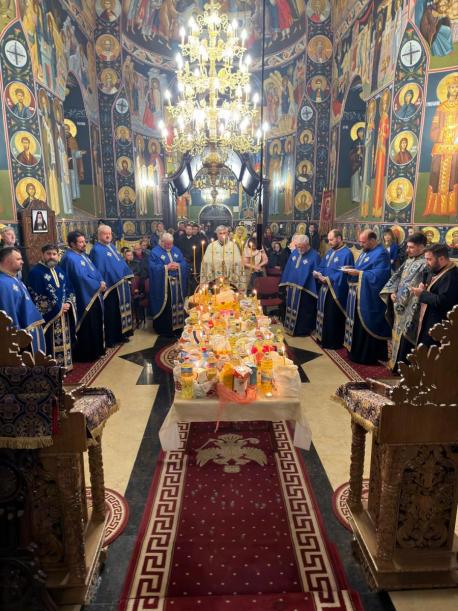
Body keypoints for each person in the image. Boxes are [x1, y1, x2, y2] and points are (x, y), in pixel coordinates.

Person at [380, 232, 427, 372]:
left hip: (412, 307)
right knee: (396, 336)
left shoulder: (426, 263)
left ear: (421, 247)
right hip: (399, 305)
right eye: (407, 247)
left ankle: (404, 369)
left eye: (411, 247)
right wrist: (392, 292)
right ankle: (394, 364)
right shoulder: (409, 261)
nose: (407, 250)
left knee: (407, 339)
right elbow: (396, 277)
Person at [343, 230, 391, 364]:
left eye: (363, 242)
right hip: (359, 294)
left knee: (366, 322)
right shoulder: (365, 251)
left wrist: (359, 273)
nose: (361, 244)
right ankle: (356, 351)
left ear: (372, 240)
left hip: (370, 297)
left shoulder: (381, 253)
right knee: (356, 324)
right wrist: (351, 269)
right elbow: (362, 268)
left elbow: (380, 275)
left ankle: (366, 356)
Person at [28, 244, 76, 369]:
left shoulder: (60, 270)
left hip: (63, 314)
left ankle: (65, 365)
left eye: (54, 254)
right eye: (48, 254)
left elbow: (69, 288)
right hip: (49, 316)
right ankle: (53, 369)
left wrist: (68, 303)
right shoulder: (35, 272)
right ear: (42, 255)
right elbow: (37, 296)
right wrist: (58, 307)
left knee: (64, 338)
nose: (52, 257)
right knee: (49, 341)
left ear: (58, 255)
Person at [60, 231, 106, 362]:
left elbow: (95, 271)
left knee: (95, 323)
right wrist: (97, 285)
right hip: (83, 296)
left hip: (93, 294)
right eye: (80, 242)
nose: (84, 244)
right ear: (72, 244)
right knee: (87, 326)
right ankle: (87, 354)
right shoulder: (69, 258)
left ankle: (97, 350)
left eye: (84, 241)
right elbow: (80, 278)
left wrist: (101, 281)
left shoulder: (83, 255)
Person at [90, 225, 133, 347]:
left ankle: (122, 334)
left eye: (109, 233)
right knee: (111, 313)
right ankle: (111, 339)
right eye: (105, 233)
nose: (108, 236)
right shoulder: (96, 250)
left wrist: (126, 274)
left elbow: (121, 263)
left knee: (120, 311)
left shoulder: (112, 246)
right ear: (99, 235)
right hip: (110, 286)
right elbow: (99, 269)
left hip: (120, 285)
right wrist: (106, 281)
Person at [411, 243, 458, 348]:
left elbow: (443, 301)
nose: (426, 263)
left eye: (429, 259)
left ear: (441, 259)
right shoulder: (439, 269)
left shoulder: (451, 276)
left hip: (439, 325)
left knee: (430, 353)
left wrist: (422, 294)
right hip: (430, 320)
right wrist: (424, 288)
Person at [314, 230, 354, 349]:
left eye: (331, 240)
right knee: (324, 313)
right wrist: (318, 273)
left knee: (332, 315)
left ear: (339, 238)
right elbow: (322, 265)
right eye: (329, 240)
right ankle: (322, 338)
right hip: (325, 289)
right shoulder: (330, 251)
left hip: (336, 290)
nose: (329, 242)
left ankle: (333, 342)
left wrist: (328, 279)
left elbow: (343, 273)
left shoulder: (347, 254)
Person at [0, 246, 45, 352]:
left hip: (28, 330)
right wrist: (16, 336)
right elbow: (7, 312)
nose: (22, 262)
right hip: (20, 336)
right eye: (18, 259)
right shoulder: (3, 283)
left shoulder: (13, 278)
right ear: (7, 261)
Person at [279, 234, 321, 336]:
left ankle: (302, 331)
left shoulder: (315, 256)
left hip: (306, 290)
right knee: (290, 307)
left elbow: (317, 273)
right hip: (292, 288)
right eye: (297, 247)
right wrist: (286, 283)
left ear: (307, 245)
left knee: (304, 311)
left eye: (301, 247)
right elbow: (289, 268)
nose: (299, 249)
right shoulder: (295, 253)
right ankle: (289, 327)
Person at [148, 233, 188, 337]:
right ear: (162, 242)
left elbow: (184, 263)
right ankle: (166, 329)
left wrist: (179, 265)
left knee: (178, 305)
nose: (170, 246)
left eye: (171, 244)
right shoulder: (155, 252)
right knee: (167, 307)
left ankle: (178, 327)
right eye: (167, 244)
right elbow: (152, 268)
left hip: (177, 284)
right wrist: (166, 267)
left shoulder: (176, 250)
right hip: (164, 285)